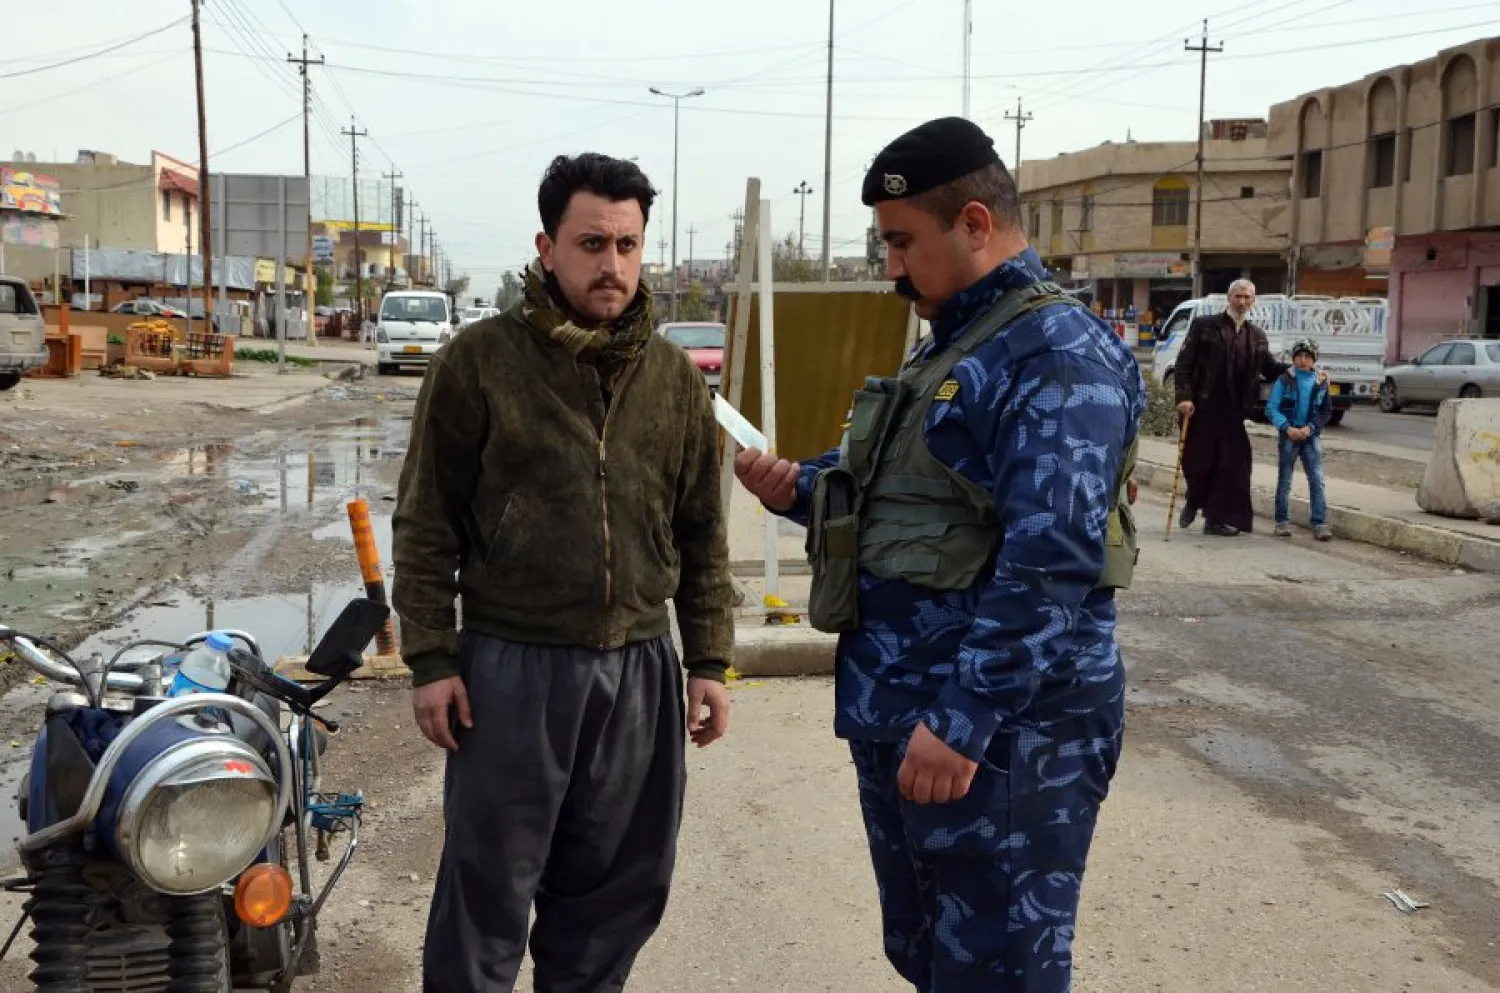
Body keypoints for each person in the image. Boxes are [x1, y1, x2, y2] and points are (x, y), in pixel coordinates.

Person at [734, 116, 1145, 992]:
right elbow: (908, 497)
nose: (890, 266)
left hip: (1000, 736)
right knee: (933, 957)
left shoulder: (1056, 354)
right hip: (910, 712)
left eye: (900, 242)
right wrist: (801, 489)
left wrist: (963, 718)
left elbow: (1052, 557)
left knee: (999, 968)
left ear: (974, 224)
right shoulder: (955, 344)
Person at [390, 151, 735, 993]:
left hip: (641, 670)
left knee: (619, 888)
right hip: (515, 665)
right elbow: (426, 518)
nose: (611, 264)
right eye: (591, 242)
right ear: (547, 248)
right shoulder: (478, 363)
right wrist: (433, 658)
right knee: (489, 888)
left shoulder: (672, 381)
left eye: (627, 243)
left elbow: (701, 529)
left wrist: (712, 660)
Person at [1173, 278, 1287, 536]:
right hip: (1201, 408)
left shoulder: (1255, 335)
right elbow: (1183, 364)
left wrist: (1296, 370)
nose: (1242, 302)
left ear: (1253, 302)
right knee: (1199, 463)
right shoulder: (1205, 326)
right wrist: (1184, 397)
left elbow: (1268, 368)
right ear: (1229, 298)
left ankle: (1216, 520)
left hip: (1233, 413)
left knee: (1234, 466)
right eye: (1238, 296)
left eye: (1247, 297)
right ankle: (1194, 500)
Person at [1266, 338, 1333, 540]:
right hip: (1289, 435)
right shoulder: (1285, 380)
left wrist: (1310, 428)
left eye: (1307, 357)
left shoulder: (1320, 381)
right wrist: (1287, 428)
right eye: (1299, 356)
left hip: (1310, 436)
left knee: (1317, 479)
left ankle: (1319, 522)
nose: (1303, 360)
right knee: (1285, 480)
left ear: (1313, 360)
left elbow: (1325, 411)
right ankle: (1282, 522)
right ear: (1293, 358)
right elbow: (1272, 408)